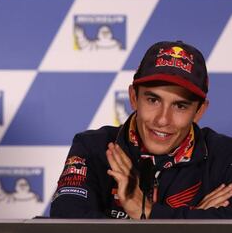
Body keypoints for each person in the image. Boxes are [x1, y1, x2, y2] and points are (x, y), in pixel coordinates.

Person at [50, 41, 232, 219]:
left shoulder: (225, 155)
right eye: (153, 100)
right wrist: (195, 223)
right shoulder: (92, 147)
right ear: (133, 98)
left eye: (180, 106)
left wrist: (145, 212)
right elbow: (67, 222)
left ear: (199, 111)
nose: (162, 119)